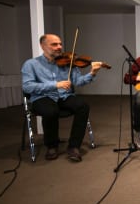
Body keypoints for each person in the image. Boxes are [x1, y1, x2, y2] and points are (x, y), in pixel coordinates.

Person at [21, 33, 107, 162]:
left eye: (60, 44)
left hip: (64, 96)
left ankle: (74, 146)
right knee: (50, 111)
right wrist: (54, 85)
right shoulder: (31, 64)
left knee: (83, 106)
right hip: (42, 97)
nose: (59, 47)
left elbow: (78, 81)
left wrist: (92, 73)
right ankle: (52, 145)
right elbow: (27, 87)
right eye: (54, 44)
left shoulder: (69, 62)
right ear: (43, 46)